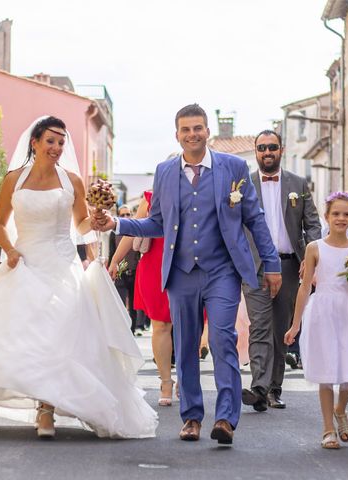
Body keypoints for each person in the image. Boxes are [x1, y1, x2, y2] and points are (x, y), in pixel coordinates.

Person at [0, 116, 158, 439]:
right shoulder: (14, 180)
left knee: (57, 333)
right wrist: (9, 250)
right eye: (50, 141)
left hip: (62, 266)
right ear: (34, 142)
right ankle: (40, 402)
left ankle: (45, 409)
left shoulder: (72, 181)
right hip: (26, 264)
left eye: (61, 142)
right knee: (26, 336)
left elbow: (80, 226)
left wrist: (97, 218)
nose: (57, 147)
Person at [94, 104, 282, 446]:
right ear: (177, 135)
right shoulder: (165, 171)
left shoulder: (234, 167)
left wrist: (271, 264)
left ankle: (225, 417)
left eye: (198, 128)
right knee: (185, 345)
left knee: (223, 338)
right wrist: (117, 223)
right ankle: (192, 416)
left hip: (222, 270)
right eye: (185, 130)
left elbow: (254, 219)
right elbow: (156, 222)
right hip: (180, 271)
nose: (192, 134)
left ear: (208, 131)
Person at [284, 191, 348, 449]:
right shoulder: (315, 248)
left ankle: (341, 409)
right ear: (327, 216)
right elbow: (305, 287)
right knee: (327, 372)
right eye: (336, 214)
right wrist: (295, 325)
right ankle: (328, 428)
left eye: (346, 214)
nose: (341, 218)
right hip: (323, 311)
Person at [241, 130, 321, 411]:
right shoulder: (244, 185)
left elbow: (312, 224)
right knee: (260, 327)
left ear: (281, 150)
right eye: (261, 148)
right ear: (255, 152)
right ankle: (259, 388)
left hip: (290, 266)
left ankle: (274, 388)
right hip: (255, 268)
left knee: (281, 330)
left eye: (272, 147)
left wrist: (310, 257)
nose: (267, 152)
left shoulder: (298, 184)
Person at [109, 192, 176, 406]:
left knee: (189, 325)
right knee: (160, 325)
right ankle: (166, 382)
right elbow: (133, 230)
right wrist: (115, 261)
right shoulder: (151, 197)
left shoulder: (201, 191)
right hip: (155, 264)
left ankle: (186, 379)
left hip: (188, 262)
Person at [108, 205, 141, 335]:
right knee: (120, 302)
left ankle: (132, 330)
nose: (126, 217)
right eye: (123, 215)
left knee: (134, 305)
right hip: (120, 273)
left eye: (128, 214)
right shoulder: (113, 233)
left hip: (135, 271)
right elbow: (112, 253)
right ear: (118, 216)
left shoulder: (137, 231)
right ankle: (121, 330)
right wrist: (110, 270)